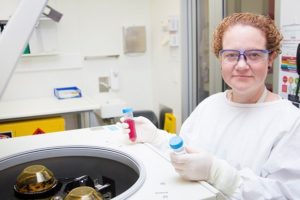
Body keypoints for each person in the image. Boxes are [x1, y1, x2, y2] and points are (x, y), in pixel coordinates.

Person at [120, 12, 300, 199]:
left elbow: (287, 194)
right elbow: (186, 157)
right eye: (231, 55)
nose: (241, 65)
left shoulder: (289, 122)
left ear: (270, 58)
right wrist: (156, 138)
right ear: (220, 59)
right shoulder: (210, 105)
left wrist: (219, 174)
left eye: (253, 55)